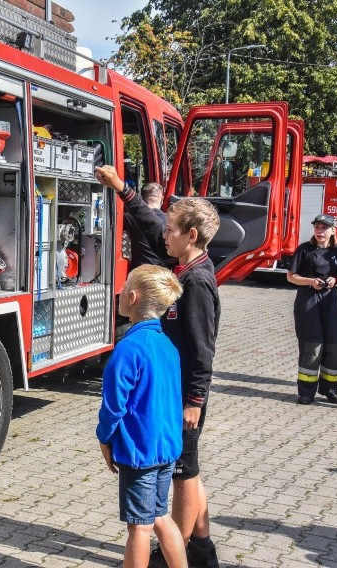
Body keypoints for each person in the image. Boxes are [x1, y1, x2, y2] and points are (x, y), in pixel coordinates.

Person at [95, 165, 221, 568]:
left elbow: (203, 349)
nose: (163, 234)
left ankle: (175, 555)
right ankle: (198, 548)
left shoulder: (197, 282)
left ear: (191, 236)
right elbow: (149, 226)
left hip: (179, 400)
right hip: (168, 395)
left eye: (171, 230)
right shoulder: (181, 266)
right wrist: (123, 191)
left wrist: (195, 399)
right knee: (183, 474)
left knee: (184, 474)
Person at [97, 264, 187, 568]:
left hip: (139, 453)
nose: (119, 292)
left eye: (124, 287)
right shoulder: (168, 346)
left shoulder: (127, 349)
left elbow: (113, 407)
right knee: (160, 516)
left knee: (139, 527)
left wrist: (104, 439)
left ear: (132, 297)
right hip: (166, 449)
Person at [286, 214, 337, 405]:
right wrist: (311, 282)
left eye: (324, 228)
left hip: (330, 301)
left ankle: (330, 389)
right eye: (317, 227)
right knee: (312, 347)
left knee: (335, 345)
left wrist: (336, 280)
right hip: (308, 300)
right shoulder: (304, 249)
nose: (320, 231)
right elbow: (291, 276)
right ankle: (306, 392)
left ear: (332, 230)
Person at [123, 182, 168, 269]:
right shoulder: (171, 221)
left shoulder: (129, 218)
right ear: (162, 199)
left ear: (141, 198)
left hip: (138, 273)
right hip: (162, 275)